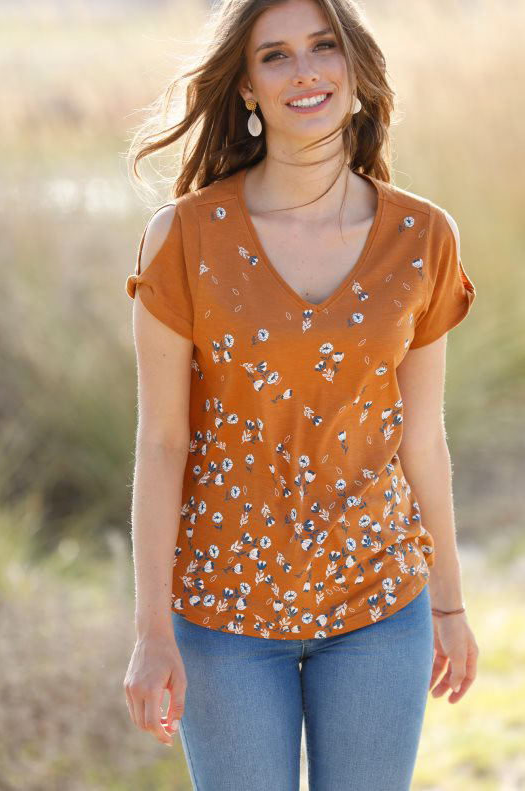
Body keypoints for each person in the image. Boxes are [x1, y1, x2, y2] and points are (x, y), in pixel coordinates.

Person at [123, 0, 480, 788]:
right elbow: (162, 442)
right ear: (246, 87)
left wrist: (449, 605)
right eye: (274, 55)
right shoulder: (184, 237)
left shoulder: (422, 237)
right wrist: (150, 631)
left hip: (378, 605)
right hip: (221, 614)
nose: (304, 71)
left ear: (355, 66)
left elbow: (423, 439)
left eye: (323, 46)